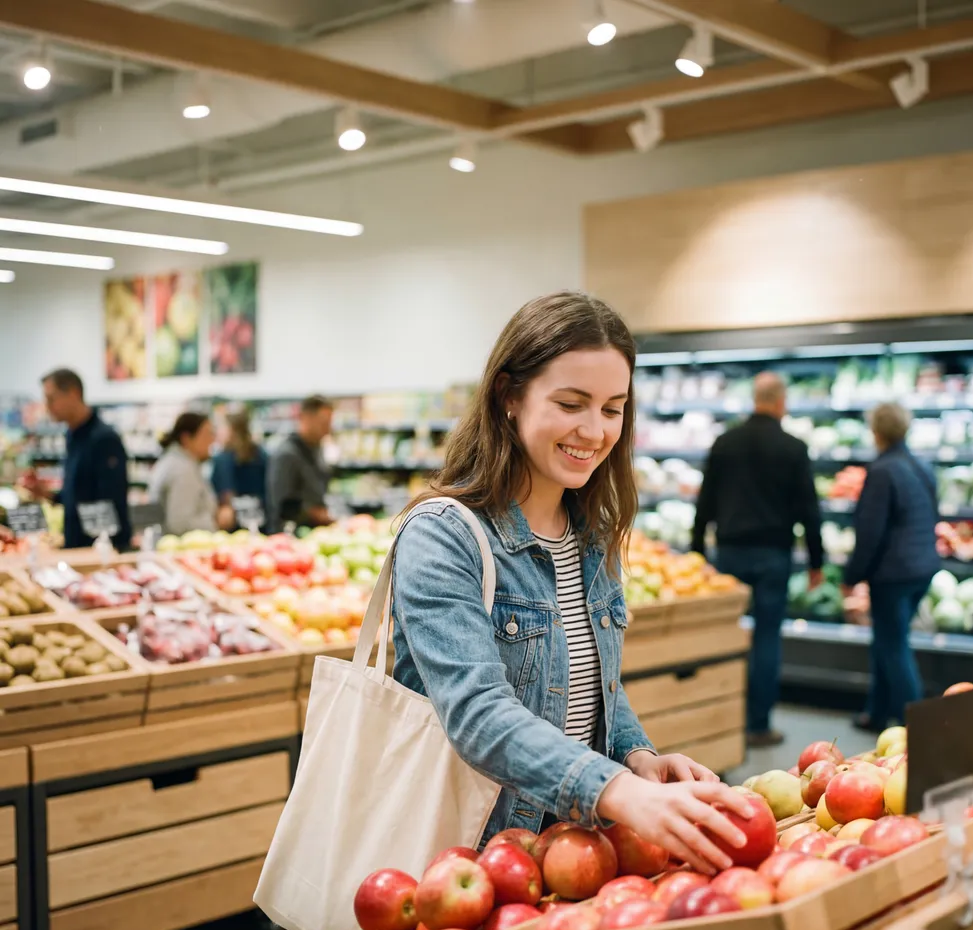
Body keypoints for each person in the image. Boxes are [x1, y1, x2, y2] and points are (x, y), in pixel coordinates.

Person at [390, 292, 753, 874]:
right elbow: (478, 712)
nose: (594, 430)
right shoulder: (442, 536)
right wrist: (615, 789)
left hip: (571, 854)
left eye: (613, 409)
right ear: (509, 396)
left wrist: (636, 756)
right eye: (570, 403)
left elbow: (592, 682)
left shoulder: (592, 534)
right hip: (476, 859)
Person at [692, 372, 823, 749]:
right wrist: (816, 561)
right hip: (773, 554)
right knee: (766, 638)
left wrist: (698, 551)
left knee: (725, 635)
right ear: (781, 403)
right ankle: (758, 725)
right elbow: (809, 509)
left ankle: (720, 720)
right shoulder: (793, 447)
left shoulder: (725, 442)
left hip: (729, 553)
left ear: (755, 399)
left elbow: (705, 500)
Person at [844, 402, 939, 732]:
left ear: (876, 432)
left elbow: (870, 532)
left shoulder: (882, 471)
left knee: (894, 646)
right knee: (886, 641)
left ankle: (918, 728)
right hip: (922, 568)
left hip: (893, 573)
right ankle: (877, 713)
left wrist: (852, 576)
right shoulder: (922, 466)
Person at [41, 368, 132, 552]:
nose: (47, 406)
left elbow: (109, 502)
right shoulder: (71, 436)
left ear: (74, 393)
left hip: (101, 550)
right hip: (77, 548)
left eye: (51, 399)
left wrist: (97, 550)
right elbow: (77, 494)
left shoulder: (104, 439)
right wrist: (47, 494)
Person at [148, 412, 228, 537]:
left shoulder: (176, 462)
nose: (212, 440)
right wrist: (217, 521)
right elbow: (180, 524)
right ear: (186, 438)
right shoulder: (182, 471)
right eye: (206, 435)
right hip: (182, 545)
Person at [265, 395, 334, 534]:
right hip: (290, 535)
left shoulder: (316, 450)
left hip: (314, 534)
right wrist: (318, 514)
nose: (328, 430)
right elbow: (283, 505)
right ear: (305, 418)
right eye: (323, 423)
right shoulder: (287, 455)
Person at [211, 408, 268, 529]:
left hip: (233, 526)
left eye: (220, 427)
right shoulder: (261, 455)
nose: (217, 432)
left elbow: (226, 493)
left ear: (231, 429)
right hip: (260, 522)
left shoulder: (223, 459)